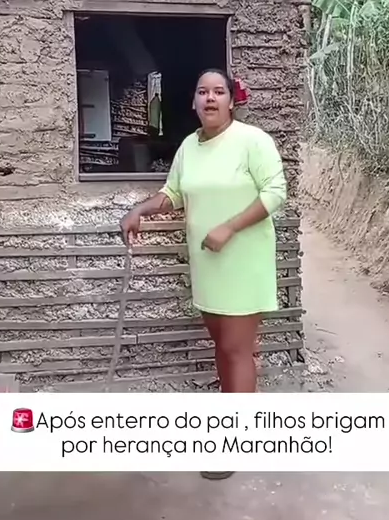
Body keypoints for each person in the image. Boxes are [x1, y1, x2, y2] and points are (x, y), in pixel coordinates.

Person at [121, 69, 286, 479]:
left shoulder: (253, 141)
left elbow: (275, 193)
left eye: (218, 92)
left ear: (232, 100)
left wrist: (229, 227)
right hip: (208, 263)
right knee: (223, 347)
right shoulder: (188, 147)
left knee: (236, 349)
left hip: (243, 260)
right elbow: (173, 193)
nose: (210, 98)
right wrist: (140, 209)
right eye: (202, 92)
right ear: (193, 102)